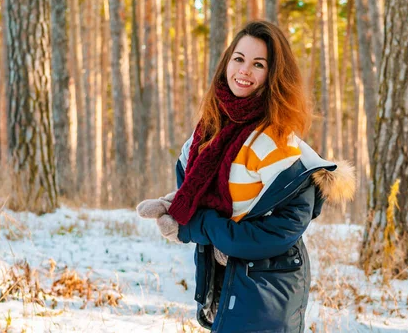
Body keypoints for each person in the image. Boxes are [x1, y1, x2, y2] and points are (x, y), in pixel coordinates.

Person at [137, 20, 355, 333]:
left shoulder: (282, 147)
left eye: (258, 64)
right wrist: (178, 207)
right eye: (239, 59)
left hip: (269, 294)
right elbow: (196, 193)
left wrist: (196, 227)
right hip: (226, 286)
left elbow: (276, 234)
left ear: (273, 74)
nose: (244, 71)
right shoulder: (209, 132)